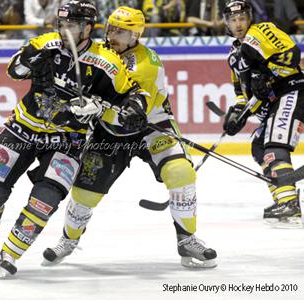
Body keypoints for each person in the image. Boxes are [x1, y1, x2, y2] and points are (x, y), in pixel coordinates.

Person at [0, 0, 149, 278]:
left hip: (67, 138)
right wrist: (28, 60)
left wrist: (130, 108)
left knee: (46, 198)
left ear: (87, 27)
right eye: (61, 24)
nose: (64, 30)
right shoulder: (45, 43)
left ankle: (10, 253)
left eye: (71, 25)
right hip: (23, 127)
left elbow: (135, 94)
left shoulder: (106, 61)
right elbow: (13, 71)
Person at [42, 6, 217, 269]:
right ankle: (69, 239)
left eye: (121, 31)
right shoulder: (97, 54)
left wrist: (100, 107)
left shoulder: (147, 63)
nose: (112, 34)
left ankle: (187, 239)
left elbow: (132, 113)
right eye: (111, 28)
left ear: (135, 34)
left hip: (151, 126)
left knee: (180, 172)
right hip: (109, 133)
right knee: (84, 192)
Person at [221, 0, 303, 226]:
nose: (238, 24)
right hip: (274, 101)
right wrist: (239, 113)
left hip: (291, 90)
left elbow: (292, 56)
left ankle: (290, 204)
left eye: (242, 18)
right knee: (259, 147)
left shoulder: (262, 31)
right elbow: (241, 90)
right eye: (233, 20)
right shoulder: (234, 53)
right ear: (226, 23)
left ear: (250, 18)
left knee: (275, 146)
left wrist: (267, 73)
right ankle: (283, 197)